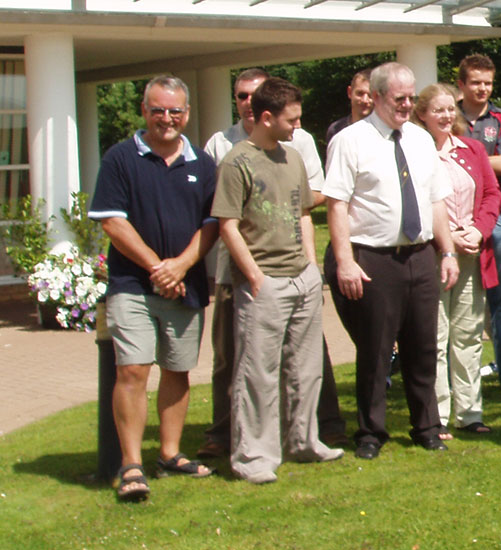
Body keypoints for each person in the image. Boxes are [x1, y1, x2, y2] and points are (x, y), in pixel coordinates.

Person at [199, 68, 340, 462]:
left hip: (302, 280)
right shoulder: (236, 162)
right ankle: (254, 457)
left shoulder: (293, 158)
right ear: (266, 118)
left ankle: (304, 443)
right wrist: (256, 277)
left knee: (305, 370)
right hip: (262, 283)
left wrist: (311, 270)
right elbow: (227, 224)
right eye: (291, 120)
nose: (298, 126)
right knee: (257, 375)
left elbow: (303, 216)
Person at [89, 75, 219, 501]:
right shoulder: (120, 158)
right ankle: (131, 465)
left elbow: (212, 224)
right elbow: (112, 220)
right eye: (158, 110)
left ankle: (169, 453)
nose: (167, 118)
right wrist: (157, 268)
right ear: (144, 111)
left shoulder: (201, 163)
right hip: (132, 285)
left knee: (178, 370)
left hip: (186, 286)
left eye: (175, 111)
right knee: (133, 368)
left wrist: (181, 266)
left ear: (186, 113)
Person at [323, 61, 460, 459]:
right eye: (399, 98)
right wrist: (345, 261)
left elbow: (436, 201)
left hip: (419, 256)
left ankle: (427, 426)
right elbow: (336, 205)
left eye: (411, 98)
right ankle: (370, 432)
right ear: (378, 96)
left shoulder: (420, 140)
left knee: (423, 347)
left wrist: (446, 251)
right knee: (376, 350)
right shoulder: (350, 141)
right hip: (374, 258)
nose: (406, 105)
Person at [414, 83, 501, 436]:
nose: (447, 116)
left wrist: (478, 232)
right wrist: (447, 240)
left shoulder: (473, 149)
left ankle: (470, 413)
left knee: (467, 335)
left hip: (471, 255)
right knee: (434, 336)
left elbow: (492, 195)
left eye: (451, 109)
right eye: (438, 110)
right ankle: (437, 414)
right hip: (432, 256)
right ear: (422, 114)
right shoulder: (414, 153)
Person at [456, 53, 501, 394]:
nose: (482, 89)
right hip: (456, 217)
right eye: (475, 82)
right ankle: (458, 380)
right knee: (459, 301)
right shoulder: (447, 116)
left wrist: (466, 153)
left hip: (499, 215)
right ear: (461, 84)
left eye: (487, 83)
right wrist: (487, 157)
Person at [326, 69, 373, 148]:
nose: (365, 100)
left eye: (370, 95)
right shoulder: (336, 130)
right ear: (349, 92)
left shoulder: (385, 130)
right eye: (360, 93)